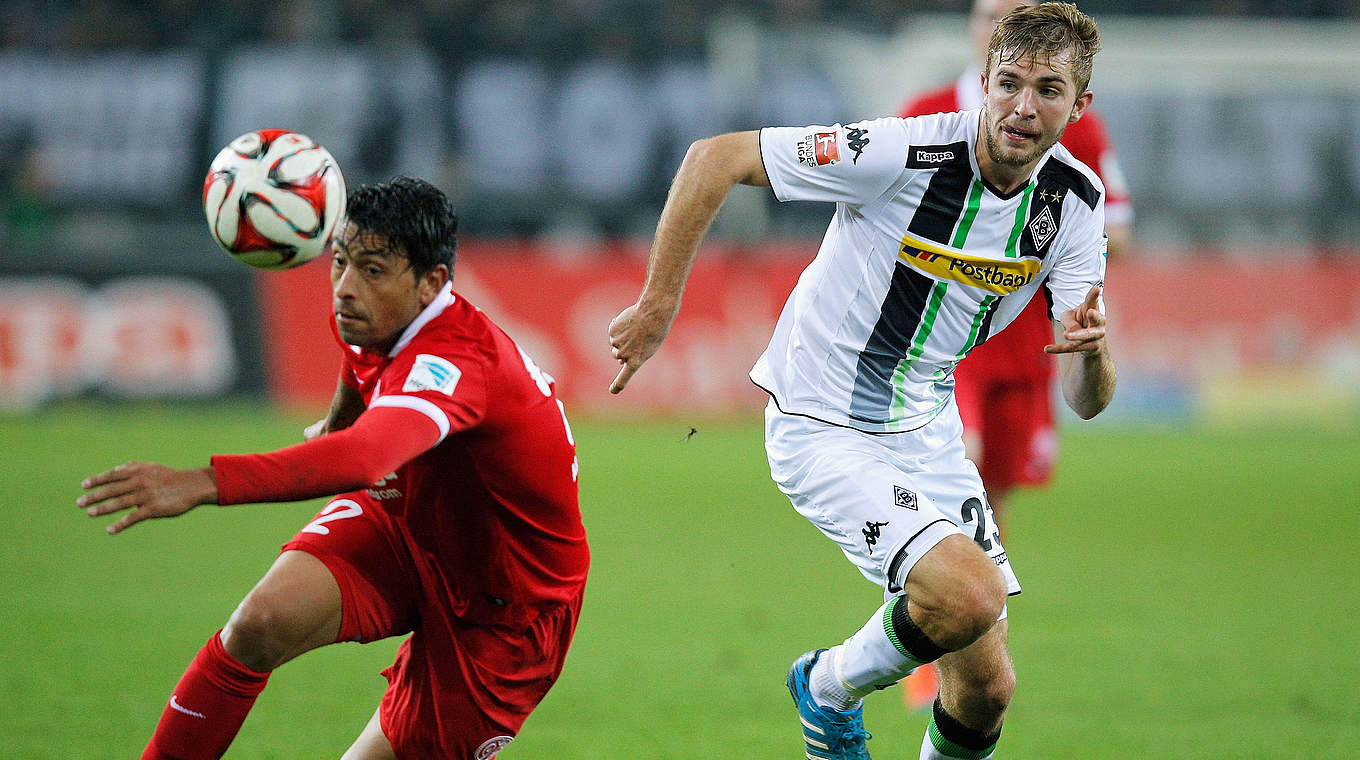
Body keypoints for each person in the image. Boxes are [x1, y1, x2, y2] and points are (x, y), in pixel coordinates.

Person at [607, 4, 1114, 759]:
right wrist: (658, 303)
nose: (1022, 106)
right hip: (823, 420)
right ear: (982, 83)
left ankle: (846, 688)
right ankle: (827, 685)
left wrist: (1093, 355)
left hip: (926, 428)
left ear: (1079, 105)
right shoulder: (904, 150)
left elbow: (1084, 398)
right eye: (1007, 83)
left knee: (986, 691)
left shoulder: (1073, 207)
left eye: (1047, 89)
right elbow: (715, 157)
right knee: (966, 595)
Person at [78, 177, 588, 760]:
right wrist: (338, 421)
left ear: (431, 284)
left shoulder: (458, 362)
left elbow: (365, 459)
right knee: (258, 624)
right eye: (339, 262)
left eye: (372, 270)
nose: (345, 288)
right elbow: (359, 373)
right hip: (404, 526)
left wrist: (201, 482)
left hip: (504, 607)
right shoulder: (372, 316)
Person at [901, 0, 1133, 531]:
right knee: (953, 474)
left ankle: (965, 609)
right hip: (939, 336)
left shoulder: (1076, 128)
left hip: (1025, 340)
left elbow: (1115, 232)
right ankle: (938, 603)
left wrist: (1046, 259)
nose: (999, 27)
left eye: (1018, 13)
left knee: (988, 508)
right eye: (989, 16)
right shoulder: (927, 112)